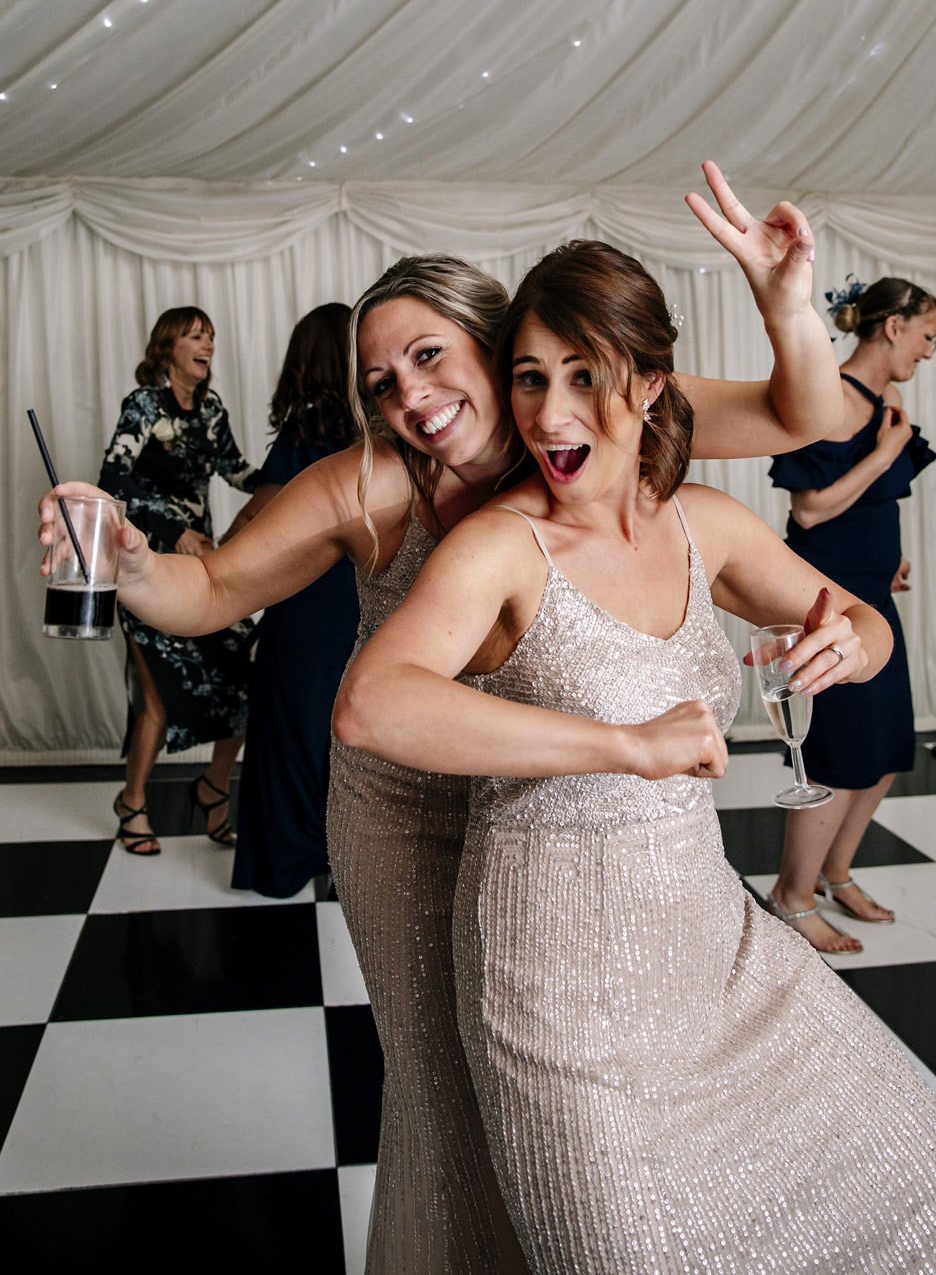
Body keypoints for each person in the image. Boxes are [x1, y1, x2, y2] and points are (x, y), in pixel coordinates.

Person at [42, 164, 845, 1272]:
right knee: (446, 1089)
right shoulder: (367, 485)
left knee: (578, 1103)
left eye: (429, 356)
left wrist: (783, 298)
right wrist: (132, 563)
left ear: (493, 339)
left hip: (555, 810)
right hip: (409, 816)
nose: (409, 398)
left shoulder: (574, 412)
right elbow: (215, 590)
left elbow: (807, 413)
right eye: (381, 382)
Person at [333, 243, 936, 1275]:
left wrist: (853, 642)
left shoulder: (707, 525)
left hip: (711, 947)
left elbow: (861, 617)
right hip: (548, 979)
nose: (552, 413)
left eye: (585, 376)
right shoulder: (500, 544)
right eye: (530, 378)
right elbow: (373, 705)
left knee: (929, 1184)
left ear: (649, 386)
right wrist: (621, 747)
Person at [765, 276, 936, 953]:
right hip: (828, 597)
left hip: (873, 592)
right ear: (893, 326)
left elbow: (872, 499)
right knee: (840, 758)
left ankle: (837, 874)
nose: (929, 352)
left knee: (888, 752)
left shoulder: (887, 399)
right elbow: (808, 510)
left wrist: (888, 555)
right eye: (928, 335)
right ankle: (791, 897)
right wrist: (885, 454)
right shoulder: (831, 397)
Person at [98, 307, 259, 855]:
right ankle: (132, 803)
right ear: (168, 348)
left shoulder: (210, 408)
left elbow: (238, 471)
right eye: (195, 335)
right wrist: (174, 528)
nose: (207, 344)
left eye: (211, 336)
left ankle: (213, 788)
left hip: (200, 576)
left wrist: (297, 471)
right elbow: (112, 480)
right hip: (145, 571)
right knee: (157, 701)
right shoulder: (144, 405)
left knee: (243, 680)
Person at [229, 304, 360, 898]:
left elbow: (262, 517)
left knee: (288, 729)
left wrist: (212, 557)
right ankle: (343, 859)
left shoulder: (305, 428)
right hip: (357, 598)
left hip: (303, 598)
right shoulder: (372, 431)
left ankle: (285, 863)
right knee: (343, 729)